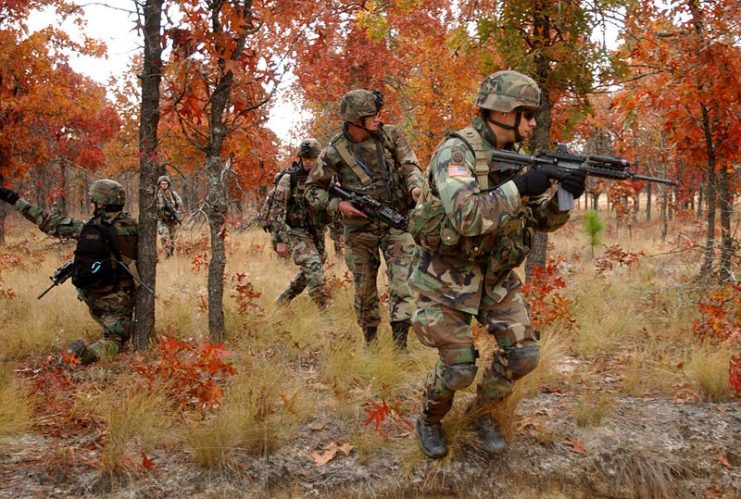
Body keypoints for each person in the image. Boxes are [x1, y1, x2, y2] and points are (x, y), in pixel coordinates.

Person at [407, 70, 586, 458]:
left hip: (495, 277)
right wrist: (522, 185)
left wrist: (563, 197)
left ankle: (482, 414)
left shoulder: (518, 159)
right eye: (527, 114)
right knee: (457, 369)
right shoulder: (455, 154)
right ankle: (430, 418)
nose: (533, 122)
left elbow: (538, 220)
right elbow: (468, 216)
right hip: (446, 280)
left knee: (523, 354)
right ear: (503, 112)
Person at [305, 89, 424, 351]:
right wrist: (339, 204)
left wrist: (416, 188)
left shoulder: (390, 135)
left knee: (402, 283)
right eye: (373, 116)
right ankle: (371, 345)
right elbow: (311, 190)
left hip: (396, 222)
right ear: (356, 120)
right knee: (364, 290)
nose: (379, 119)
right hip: (359, 231)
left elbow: (410, 165)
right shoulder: (333, 152)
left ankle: (400, 347)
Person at [0, 180, 139, 365]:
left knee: (110, 324)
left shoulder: (84, 228)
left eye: (92, 200)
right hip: (118, 297)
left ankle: (100, 334)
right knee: (115, 340)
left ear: (101, 203)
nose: (91, 204)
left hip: (92, 295)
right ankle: (79, 357)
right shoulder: (135, 228)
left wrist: (14, 199)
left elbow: (48, 222)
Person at [269, 138, 329, 309]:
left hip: (317, 231)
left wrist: (338, 233)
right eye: (306, 159)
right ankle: (326, 315)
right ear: (300, 158)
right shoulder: (289, 179)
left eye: (313, 159)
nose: (309, 163)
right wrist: (280, 240)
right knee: (314, 268)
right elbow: (277, 212)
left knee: (310, 269)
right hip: (296, 231)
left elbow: (333, 205)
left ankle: (283, 300)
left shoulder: (325, 177)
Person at [156, 175, 183, 257]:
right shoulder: (156, 194)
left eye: (165, 183)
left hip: (172, 219)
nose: (164, 185)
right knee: (164, 236)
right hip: (162, 219)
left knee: (172, 238)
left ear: (168, 184)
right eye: (162, 183)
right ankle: (166, 254)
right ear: (159, 184)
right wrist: (160, 207)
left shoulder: (173, 193)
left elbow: (180, 202)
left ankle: (171, 253)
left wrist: (177, 209)